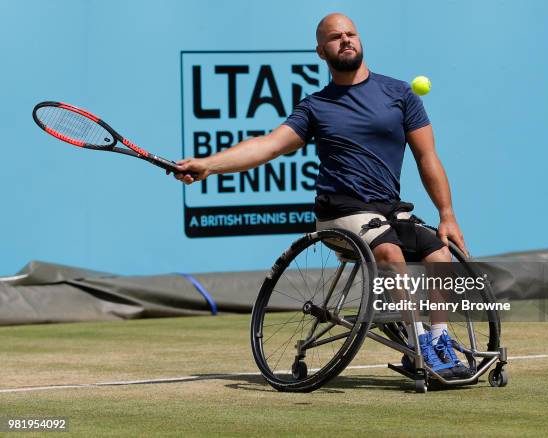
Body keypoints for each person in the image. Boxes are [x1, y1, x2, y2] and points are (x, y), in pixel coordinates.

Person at [172, 13, 471, 379]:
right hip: (340, 211)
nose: (345, 40)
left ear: (360, 40)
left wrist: (447, 214)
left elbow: (428, 157)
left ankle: (438, 339)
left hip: (390, 211)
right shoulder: (315, 106)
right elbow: (267, 146)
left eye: (351, 34)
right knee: (390, 253)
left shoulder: (400, 94)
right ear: (321, 51)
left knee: (440, 253)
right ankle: (418, 341)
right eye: (335, 37)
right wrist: (209, 165)